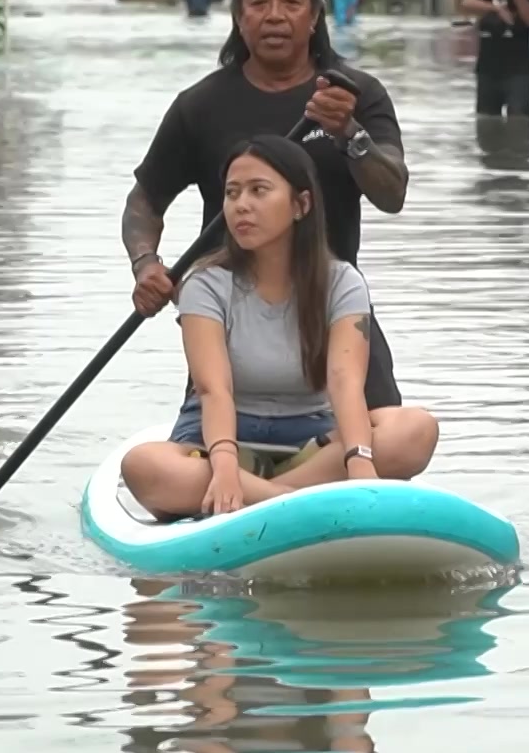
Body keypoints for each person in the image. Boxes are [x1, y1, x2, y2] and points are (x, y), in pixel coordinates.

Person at [124, 0, 413, 416]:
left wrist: (349, 133)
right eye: (259, 2)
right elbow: (145, 201)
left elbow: (393, 193)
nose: (274, 16)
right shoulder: (200, 105)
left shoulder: (354, 95)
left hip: (335, 306)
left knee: (394, 433)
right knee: (213, 441)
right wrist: (146, 264)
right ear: (238, 16)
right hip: (230, 318)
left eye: (291, 2)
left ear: (315, 15)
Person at [121, 136, 440, 518]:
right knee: (142, 466)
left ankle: (264, 494)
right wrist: (224, 466)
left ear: (301, 204)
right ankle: (292, 498)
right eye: (232, 193)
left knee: (416, 429)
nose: (241, 205)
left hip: (312, 442)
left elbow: (345, 382)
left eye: (258, 191)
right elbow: (213, 389)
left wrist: (359, 462)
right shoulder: (204, 284)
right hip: (220, 441)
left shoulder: (343, 282)